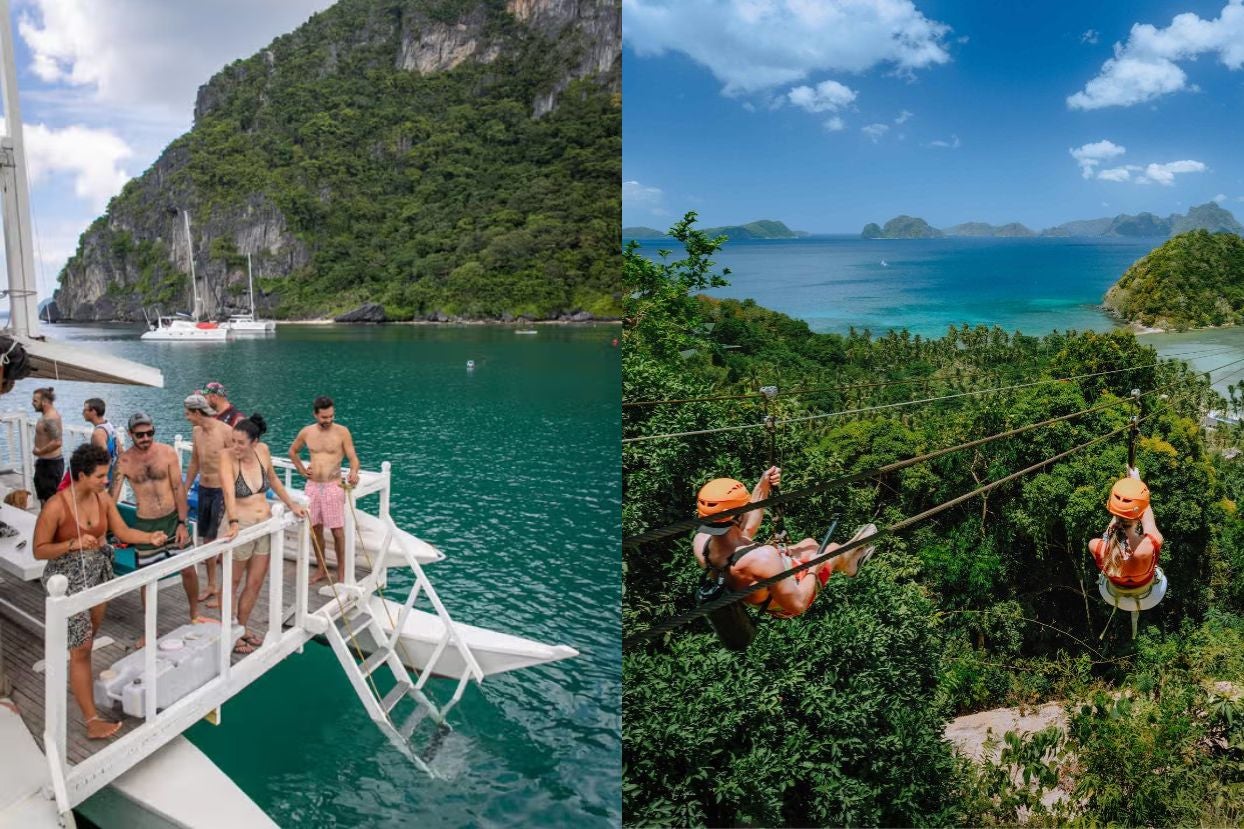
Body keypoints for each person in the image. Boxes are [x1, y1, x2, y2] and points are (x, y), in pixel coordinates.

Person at [34, 444, 169, 740]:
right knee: (81, 648)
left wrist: (150, 537)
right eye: (100, 476)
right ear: (81, 475)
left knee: (87, 639)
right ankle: (91, 719)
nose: (106, 481)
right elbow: (39, 550)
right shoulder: (56, 506)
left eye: (106, 475)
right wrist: (73, 544)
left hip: (98, 575)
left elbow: (122, 533)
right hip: (67, 581)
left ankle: (77, 676)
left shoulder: (103, 499)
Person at [693, 468, 877, 618]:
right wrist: (815, 567)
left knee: (809, 543)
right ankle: (848, 562)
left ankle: (843, 558)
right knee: (830, 551)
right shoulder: (763, 558)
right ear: (737, 516)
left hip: (755, 584)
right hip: (785, 602)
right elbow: (799, 605)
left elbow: (747, 531)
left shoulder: (701, 543)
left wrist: (762, 486)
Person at [220, 414, 305, 653]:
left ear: (254, 442)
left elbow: (275, 480)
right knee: (232, 583)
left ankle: (242, 627)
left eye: (240, 442)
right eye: (232, 440)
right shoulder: (226, 457)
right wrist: (233, 521)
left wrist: (292, 504)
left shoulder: (263, 451)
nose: (234, 446)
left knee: (255, 582)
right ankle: (230, 634)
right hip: (242, 527)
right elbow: (228, 491)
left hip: (265, 526)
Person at [111, 412, 200, 629]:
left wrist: (182, 522)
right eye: (140, 434)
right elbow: (110, 499)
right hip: (146, 526)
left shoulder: (168, 453)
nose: (146, 438)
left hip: (173, 521)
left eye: (150, 433)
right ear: (131, 434)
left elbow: (179, 487)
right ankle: (149, 630)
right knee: (148, 579)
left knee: (188, 570)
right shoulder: (123, 462)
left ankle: (195, 615)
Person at [289, 396, 360, 585]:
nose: (328, 420)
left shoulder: (342, 432)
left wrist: (353, 472)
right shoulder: (307, 432)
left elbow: (353, 458)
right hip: (312, 486)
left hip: (333, 486)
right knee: (315, 529)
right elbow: (292, 451)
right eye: (324, 417)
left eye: (331, 416)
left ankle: (342, 573)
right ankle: (321, 568)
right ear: (315, 414)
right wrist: (301, 470)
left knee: (337, 531)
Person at [183, 393, 235, 607]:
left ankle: (226, 592)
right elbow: (195, 461)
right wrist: (184, 488)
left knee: (223, 543)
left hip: (222, 491)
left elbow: (238, 461)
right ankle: (212, 585)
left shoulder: (225, 431)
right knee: (207, 540)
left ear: (197, 412)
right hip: (204, 489)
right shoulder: (197, 432)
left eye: (188, 413)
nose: (186, 417)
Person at [1089, 470, 1163, 592]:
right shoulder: (1151, 545)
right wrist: (1137, 484)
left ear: (1111, 509)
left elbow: (1107, 538)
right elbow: (1148, 521)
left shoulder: (1095, 546)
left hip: (1115, 588)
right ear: (1139, 515)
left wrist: (1120, 509)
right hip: (1144, 585)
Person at [59, 398, 124, 492]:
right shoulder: (109, 426)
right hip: (110, 476)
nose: (82, 413)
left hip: (102, 481)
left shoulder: (98, 434)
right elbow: (121, 452)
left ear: (93, 411)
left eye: (85, 410)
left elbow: (105, 460)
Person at [31, 387, 64, 505]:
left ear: (44, 402)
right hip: (44, 463)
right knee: (43, 500)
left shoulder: (50, 418)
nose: (32, 403)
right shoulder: (46, 416)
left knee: (49, 502)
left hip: (50, 465)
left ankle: (49, 523)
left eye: (35, 401)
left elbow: (57, 442)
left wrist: (39, 452)